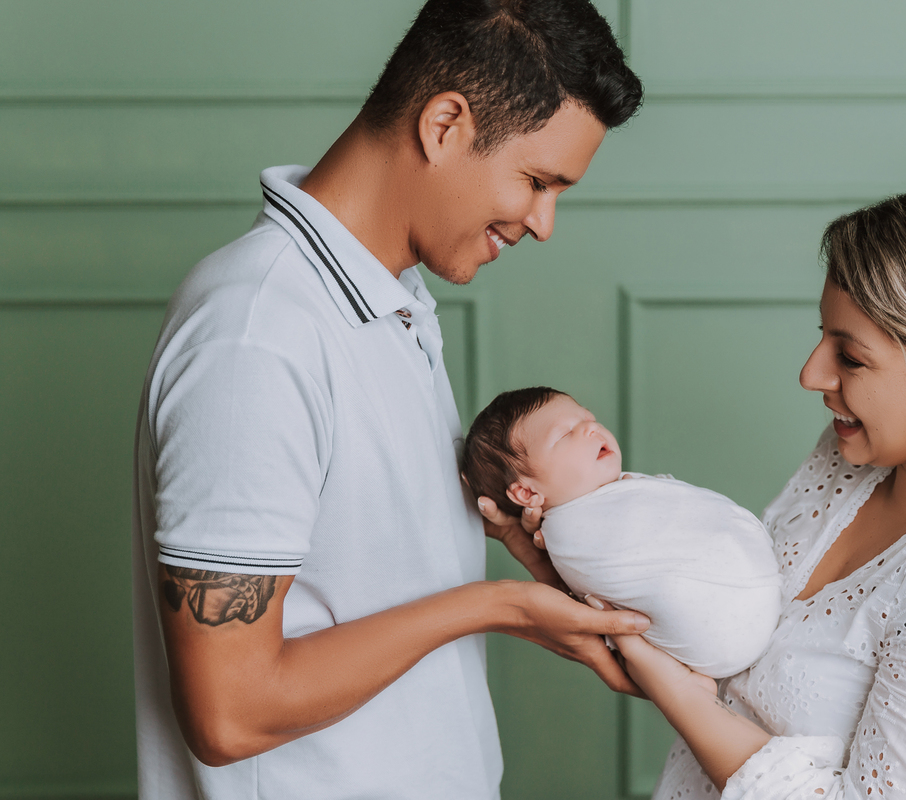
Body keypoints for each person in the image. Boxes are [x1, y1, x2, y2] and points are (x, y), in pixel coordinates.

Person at [130, 2, 649, 798]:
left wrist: (520, 550)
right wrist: (500, 606)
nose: (543, 223)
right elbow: (229, 713)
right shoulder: (257, 333)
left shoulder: (385, 301)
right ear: (445, 125)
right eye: (537, 181)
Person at [605, 181, 906, 799]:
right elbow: (733, 657)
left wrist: (673, 689)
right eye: (823, 336)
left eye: (852, 357)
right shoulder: (850, 463)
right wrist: (580, 551)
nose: (811, 374)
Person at [461, 387, 782, 678]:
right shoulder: (568, 534)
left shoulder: (611, 497)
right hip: (724, 631)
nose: (591, 428)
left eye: (588, 418)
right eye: (566, 433)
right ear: (527, 493)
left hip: (747, 607)